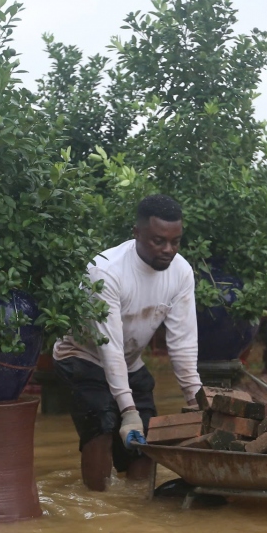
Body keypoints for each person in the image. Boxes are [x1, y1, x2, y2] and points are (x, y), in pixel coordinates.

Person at [54, 194, 202, 491]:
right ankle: (97, 509)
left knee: (145, 442)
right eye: (158, 241)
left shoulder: (181, 272)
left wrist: (196, 400)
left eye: (176, 242)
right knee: (102, 429)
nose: (168, 250)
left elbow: (183, 343)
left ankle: (137, 510)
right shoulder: (105, 271)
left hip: (131, 361)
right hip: (82, 355)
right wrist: (127, 410)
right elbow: (108, 346)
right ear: (136, 234)